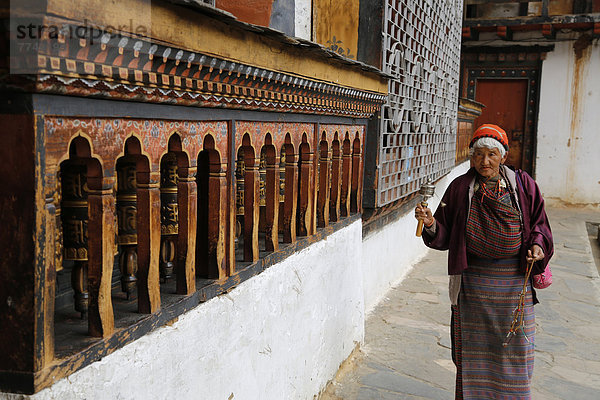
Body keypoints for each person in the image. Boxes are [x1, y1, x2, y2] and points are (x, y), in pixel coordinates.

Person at [414, 124, 553, 399]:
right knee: (472, 351)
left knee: (515, 352)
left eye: (491, 154)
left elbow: (540, 224)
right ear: (471, 157)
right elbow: (443, 234)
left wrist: (538, 245)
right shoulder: (460, 188)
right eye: (478, 154)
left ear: (503, 156)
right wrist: (430, 223)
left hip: (514, 284)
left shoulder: (523, 185)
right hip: (474, 285)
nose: (484, 161)